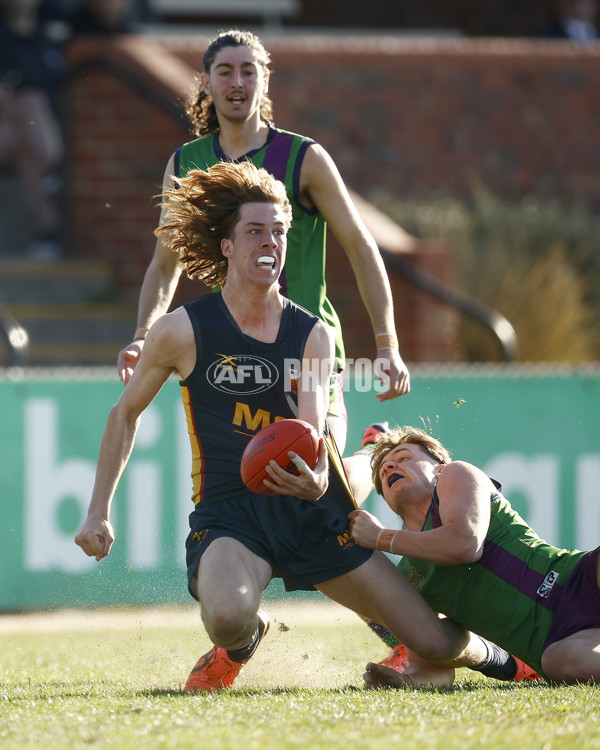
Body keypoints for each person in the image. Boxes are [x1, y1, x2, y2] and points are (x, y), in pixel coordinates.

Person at [74, 161, 510, 692]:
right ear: (227, 246)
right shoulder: (181, 330)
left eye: (279, 231)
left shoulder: (312, 334)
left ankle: (506, 661)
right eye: (255, 230)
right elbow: (124, 413)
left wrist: (319, 476)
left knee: (435, 644)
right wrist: (98, 511)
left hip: (312, 511)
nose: (271, 242)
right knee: (227, 618)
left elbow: (308, 432)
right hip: (231, 513)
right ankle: (241, 641)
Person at [116, 28, 410, 456]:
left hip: (308, 346)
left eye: (248, 71)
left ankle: (368, 456)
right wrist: (142, 335)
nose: (237, 82)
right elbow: (165, 265)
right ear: (205, 83)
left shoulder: (303, 158)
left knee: (319, 477)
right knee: (257, 482)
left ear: (265, 81)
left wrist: (388, 346)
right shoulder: (187, 162)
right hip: (236, 354)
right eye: (225, 72)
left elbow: (362, 247)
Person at [349, 425, 600, 686]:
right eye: (383, 470)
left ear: (439, 467)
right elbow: (430, 661)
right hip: (557, 644)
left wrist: (380, 537)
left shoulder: (456, 474)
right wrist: (406, 683)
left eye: (403, 458)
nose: (390, 467)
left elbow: (464, 545)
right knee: (561, 664)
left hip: (581, 578)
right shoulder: (409, 577)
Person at [0, 0, 65, 258]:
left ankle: (45, 234)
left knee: (28, 150)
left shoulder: (48, 30)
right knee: (30, 103)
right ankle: (52, 164)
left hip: (30, 128)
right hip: (11, 115)